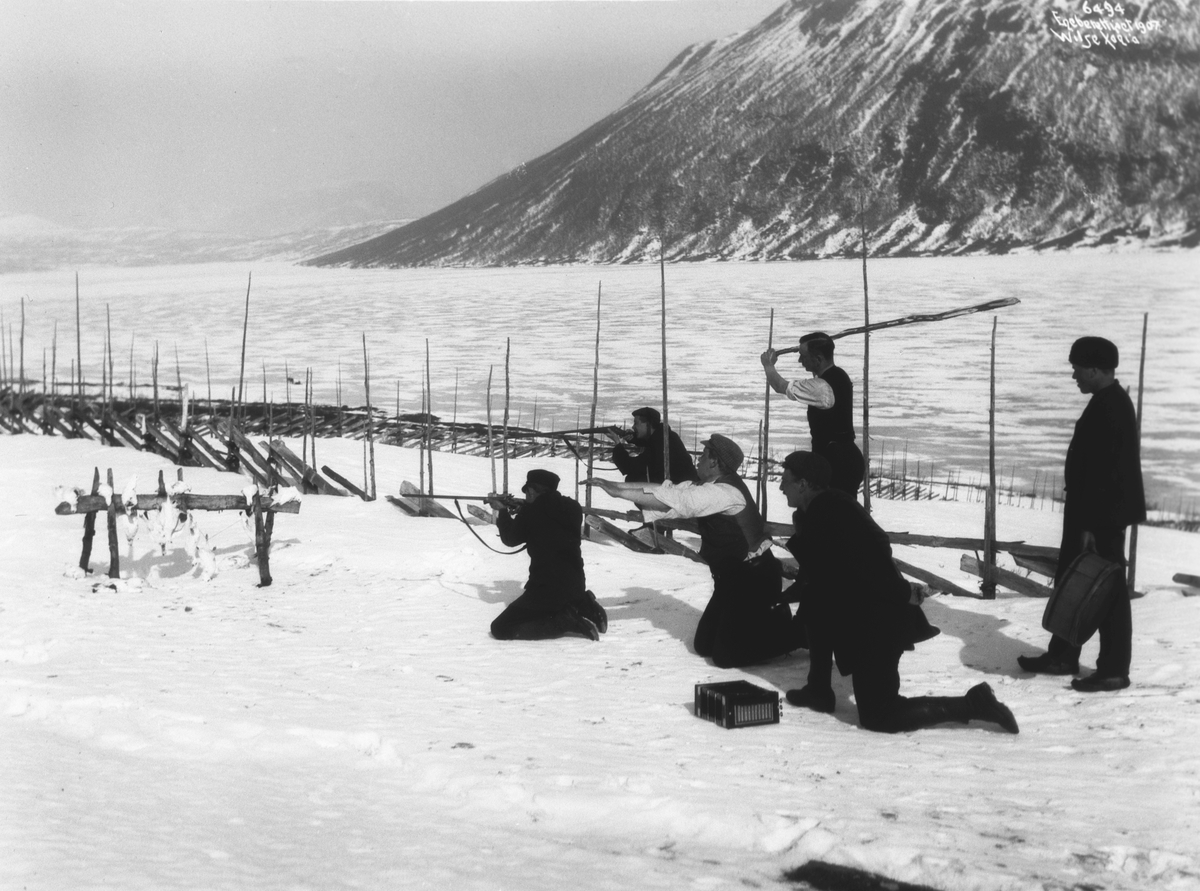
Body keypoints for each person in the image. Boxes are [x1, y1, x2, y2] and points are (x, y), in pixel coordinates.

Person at [779, 450, 1018, 734]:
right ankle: (818, 690)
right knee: (815, 599)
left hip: (879, 619)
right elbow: (823, 579)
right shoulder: (816, 513)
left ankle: (973, 704)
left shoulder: (834, 511)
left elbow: (872, 559)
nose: (781, 486)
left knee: (879, 715)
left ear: (804, 484)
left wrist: (903, 593)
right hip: (863, 614)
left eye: (786, 480)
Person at [589, 434, 793, 668]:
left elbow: (678, 501)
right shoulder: (707, 486)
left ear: (715, 462)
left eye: (704, 455)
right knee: (704, 645)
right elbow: (668, 491)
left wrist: (618, 492)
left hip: (754, 580)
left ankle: (793, 631)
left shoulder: (725, 492)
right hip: (731, 580)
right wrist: (615, 487)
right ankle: (758, 625)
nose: (698, 459)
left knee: (726, 656)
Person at [1018, 336, 1145, 692]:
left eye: (1077, 369)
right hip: (1093, 514)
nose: (1074, 375)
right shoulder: (1108, 401)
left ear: (1093, 369)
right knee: (1076, 583)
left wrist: (1090, 526)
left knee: (1108, 593)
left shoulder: (1111, 407)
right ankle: (1063, 654)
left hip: (1099, 518)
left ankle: (1113, 669)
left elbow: (1106, 475)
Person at [485, 469, 607, 641]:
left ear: (532, 490)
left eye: (527, 491)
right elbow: (547, 521)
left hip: (547, 591)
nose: (527, 495)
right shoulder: (573, 508)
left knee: (500, 628)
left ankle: (565, 622)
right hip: (576, 585)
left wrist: (503, 512)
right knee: (562, 596)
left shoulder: (530, 513)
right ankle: (584, 603)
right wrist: (524, 509)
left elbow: (510, 539)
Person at [761, 333, 865, 497]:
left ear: (818, 359)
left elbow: (780, 386)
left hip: (837, 462)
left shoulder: (820, 388)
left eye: (803, 357)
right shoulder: (838, 375)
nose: (800, 361)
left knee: (831, 509)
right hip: (846, 457)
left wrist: (768, 365)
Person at [608, 406, 699, 484]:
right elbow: (649, 441)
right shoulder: (665, 436)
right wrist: (633, 438)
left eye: (636, 423)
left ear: (648, 424)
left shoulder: (660, 442)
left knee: (632, 479)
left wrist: (617, 444)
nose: (633, 427)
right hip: (683, 483)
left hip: (679, 489)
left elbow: (628, 467)